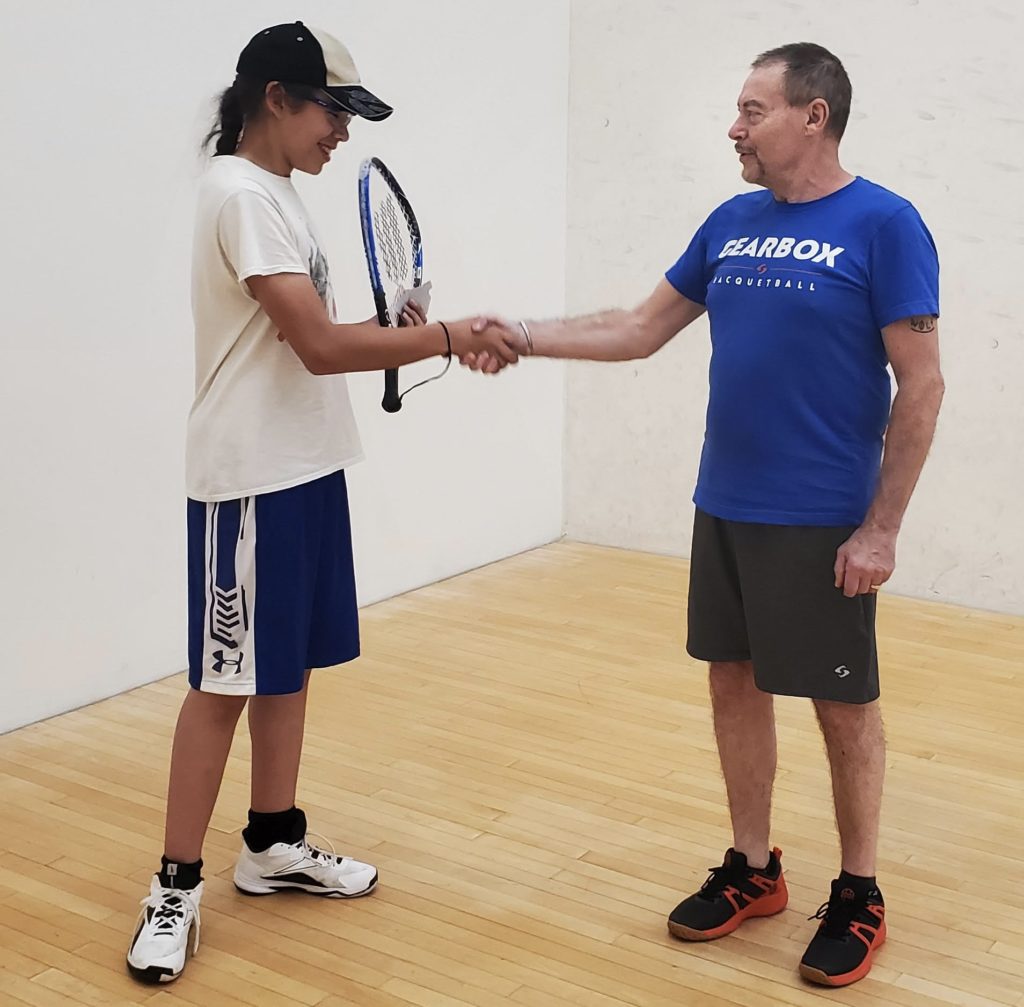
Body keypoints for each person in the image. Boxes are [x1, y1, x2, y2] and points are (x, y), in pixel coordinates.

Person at [466, 42, 943, 988]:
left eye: (752, 109)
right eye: (737, 109)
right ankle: (754, 867)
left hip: (821, 518)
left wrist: (881, 528)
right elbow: (639, 328)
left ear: (814, 115)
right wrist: (521, 335)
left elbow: (921, 387)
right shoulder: (731, 221)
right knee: (733, 682)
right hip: (723, 502)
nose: (735, 126)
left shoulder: (887, 225)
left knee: (843, 707)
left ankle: (859, 891)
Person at [126, 21, 519, 985]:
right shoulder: (239, 194)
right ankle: (174, 884)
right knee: (225, 681)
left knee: (287, 665)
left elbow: (319, 336)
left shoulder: (281, 197)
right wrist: (442, 337)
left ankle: (271, 842)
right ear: (275, 97)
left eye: (347, 114)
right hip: (246, 480)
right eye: (330, 110)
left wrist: (398, 331)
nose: (341, 132)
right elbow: (316, 345)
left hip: (302, 467)